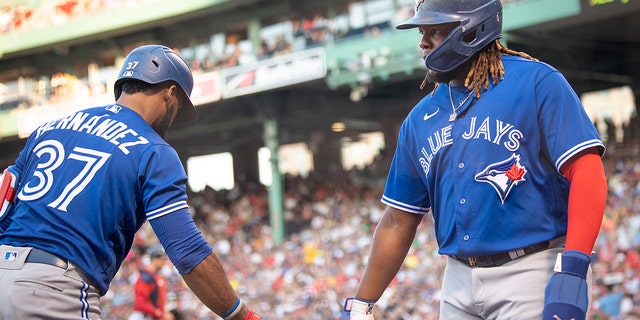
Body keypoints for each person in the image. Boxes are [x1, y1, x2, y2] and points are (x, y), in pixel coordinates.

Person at [343, 1, 607, 319]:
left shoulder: (536, 83)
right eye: (422, 32)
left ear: (473, 30)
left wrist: (573, 267)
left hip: (532, 270)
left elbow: (587, 171)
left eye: (436, 32)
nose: (423, 42)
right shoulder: (419, 120)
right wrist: (360, 304)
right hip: (457, 280)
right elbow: (399, 219)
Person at [0, 44, 260, 320]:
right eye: (178, 107)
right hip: (52, 290)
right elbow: (187, 251)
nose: (174, 118)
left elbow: (5, 204)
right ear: (170, 93)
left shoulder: (49, 128)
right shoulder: (152, 149)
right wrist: (241, 315)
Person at [129, 247, 169, 320]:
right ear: (155, 260)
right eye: (162, 260)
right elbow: (140, 303)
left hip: (150, 315)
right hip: (142, 316)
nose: (164, 263)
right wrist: (158, 313)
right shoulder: (146, 277)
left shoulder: (154, 276)